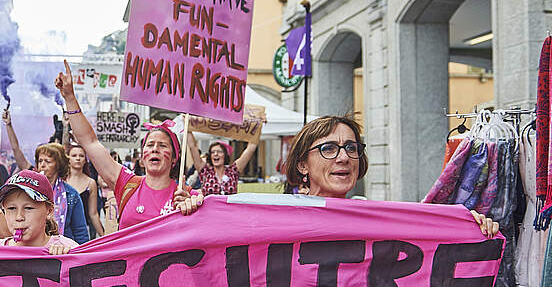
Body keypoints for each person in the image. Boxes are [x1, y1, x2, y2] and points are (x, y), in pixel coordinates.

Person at [282, 115, 499, 236]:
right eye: (328, 149)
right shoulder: (282, 218)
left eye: (351, 147)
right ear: (302, 165)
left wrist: (465, 226)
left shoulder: (376, 218)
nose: (343, 158)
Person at [54, 60, 203, 230]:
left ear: (175, 158)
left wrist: (194, 208)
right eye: (150, 144)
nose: (155, 148)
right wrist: (70, 98)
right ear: (142, 156)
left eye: (162, 146)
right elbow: (89, 141)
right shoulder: (127, 183)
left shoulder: (185, 195)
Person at [3, 109, 90, 244]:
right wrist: (8, 125)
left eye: (47, 161)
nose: (42, 165)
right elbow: (16, 150)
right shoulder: (26, 185)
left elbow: (80, 233)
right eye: (40, 161)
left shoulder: (71, 194)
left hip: (60, 254)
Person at [0, 169, 78, 255]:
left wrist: (68, 259)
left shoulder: (67, 248)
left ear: (49, 211)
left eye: (28, 208)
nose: (19, 217)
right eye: (11, 208)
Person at [185, 133, 259, 196]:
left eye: (219, 151)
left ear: (225, 155)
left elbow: (250, 149)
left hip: (230, 212)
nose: (215, 154)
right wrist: (188, 126)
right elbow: (193, 147)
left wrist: (257, 126)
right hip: (209, 212)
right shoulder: (205, 171)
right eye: (213, 152)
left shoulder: (233, 171)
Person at [66, 144, 105, 238]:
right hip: (63, 231)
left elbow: (93, 214)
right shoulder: (61, 181)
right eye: (74, 155)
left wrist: (104, 236)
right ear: (68, 159)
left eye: (81, 156)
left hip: (82, 232)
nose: (78, 158)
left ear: (85, 160)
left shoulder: (91, 183)